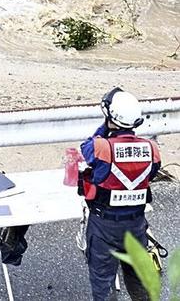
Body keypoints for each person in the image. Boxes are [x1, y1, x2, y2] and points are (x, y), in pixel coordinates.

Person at [80, 87, 161, 301]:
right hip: (136, 225)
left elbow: (86, 148)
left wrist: (105, 127)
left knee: (103, 281)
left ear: (110, 117)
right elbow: (149, 175)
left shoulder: (101, 147)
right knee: (139, 280)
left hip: (104, 226)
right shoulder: (152, 149)